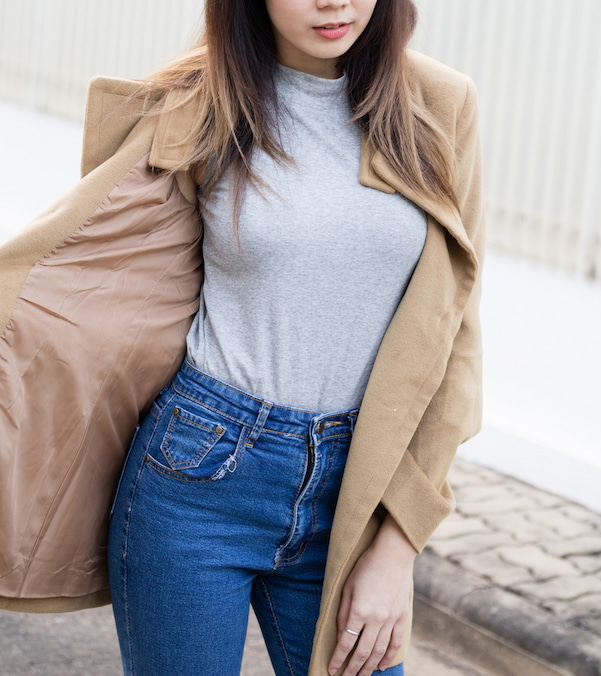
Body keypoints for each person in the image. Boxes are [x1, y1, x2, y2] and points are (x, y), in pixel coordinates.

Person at [0, 0, 484, 675]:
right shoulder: (199, 104)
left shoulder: (438, 104)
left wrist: (395, 552)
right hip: (198, 469)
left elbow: (453, 336)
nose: (334, 1)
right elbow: (99, 277)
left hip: (352, 481)